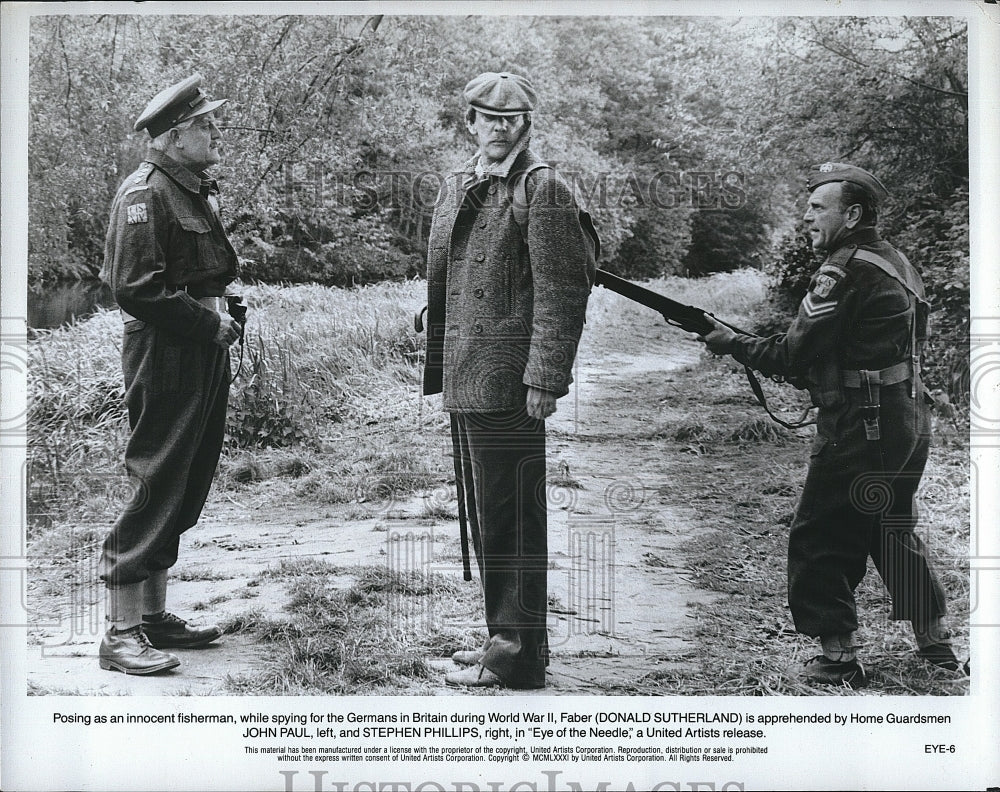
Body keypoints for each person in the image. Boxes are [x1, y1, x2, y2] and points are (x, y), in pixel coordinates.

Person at [700, 162, 966, 688]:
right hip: (906, 416)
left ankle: (838, 658)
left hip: (861, 425)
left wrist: (729, 343)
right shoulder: (892, 260)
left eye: (818, 209)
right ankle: (937, 648)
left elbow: (794, 356)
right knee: (892, 530)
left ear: (854, 214)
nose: (807, 218)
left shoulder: (844, 269)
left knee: (820, 535)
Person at [422, 72, 593, 689]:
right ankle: (506, 641)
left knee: (513, 516)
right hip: (467, 375)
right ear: (469, 121)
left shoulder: (543, 189)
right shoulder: (458, 183)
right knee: (490, 514)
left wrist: (547, 377)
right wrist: (436, 326)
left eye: (511, 118)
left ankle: (516, 651)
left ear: (526, 123)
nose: (499, 127)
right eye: (488, 118)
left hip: (512, 383)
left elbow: (561, 291)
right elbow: (448, 274)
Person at [97, 74, 243, 674]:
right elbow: (134, 288)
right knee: (157, 477)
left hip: (200, 350)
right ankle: (119, 633)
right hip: (168, 353)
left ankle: (154, 618)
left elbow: (200, 269)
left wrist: (222, 311)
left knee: (186, 479)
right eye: (205, 124)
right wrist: (207, 325)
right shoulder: (146, 193)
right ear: (175, 134)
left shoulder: (188, 187)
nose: (215, 132)